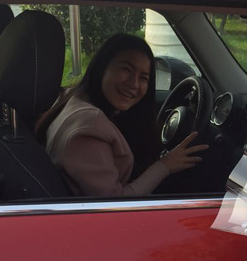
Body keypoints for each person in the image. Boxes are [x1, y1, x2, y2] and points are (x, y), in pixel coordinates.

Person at [37, 33, 207, 197]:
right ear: (102, 68)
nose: (134, 84)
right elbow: (114, 203)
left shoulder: (72, 96)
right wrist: (165, 166)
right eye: (126, 70)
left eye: (143, 78)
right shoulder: (90, 126)